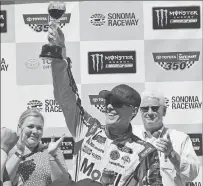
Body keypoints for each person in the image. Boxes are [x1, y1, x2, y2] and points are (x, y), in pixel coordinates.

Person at [47, 22, 163, 186]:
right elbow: (66, 96)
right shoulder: (88, 128)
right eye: (108, 101)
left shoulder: (145, 152)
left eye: (117, 103)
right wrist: (59, 53)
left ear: (134, 111)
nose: (109, 106)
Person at [134, 90, 200, 186]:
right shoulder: (131, 137)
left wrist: (172, 154)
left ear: (164, 111)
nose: (149, 112)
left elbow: (192, 174)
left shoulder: (180, 138)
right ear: (140, 111)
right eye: (145, 108)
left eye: (155, 108)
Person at [5, 108, 71, 186]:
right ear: (19, 128)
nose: (35, 131)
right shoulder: (8, 152)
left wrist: (52, 156)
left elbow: (64, 183)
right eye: (30, 126)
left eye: (39, 128)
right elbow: (3, 180)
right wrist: (19, 152)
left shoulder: (53, 152)